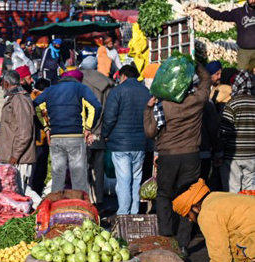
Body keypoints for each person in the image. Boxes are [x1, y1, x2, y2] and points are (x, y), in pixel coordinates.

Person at [144, 62, 211, 249]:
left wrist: (148, 109)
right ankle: (183, 243)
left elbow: (150, 132)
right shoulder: (197, 101)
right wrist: (196, 65)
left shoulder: (162, 105)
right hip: (191, 155)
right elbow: (206, 82)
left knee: (164, 195)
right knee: (187, 197)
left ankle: (166, 238)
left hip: (168, 155)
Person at [33, 69, 102, 194]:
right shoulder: (81, 88)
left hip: (56, 137)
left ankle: (56, 208)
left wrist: (46, 128)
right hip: (75, 137)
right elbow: (96, 106)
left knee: (58, 176)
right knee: (78, 176)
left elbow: (35, 106)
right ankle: (80, 208)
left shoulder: (50, 90)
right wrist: (88, 128)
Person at [102, 64, 150, 215]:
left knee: (123, 180)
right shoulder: (146, 92)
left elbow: (109, 117)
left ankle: (123, 213)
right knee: (136, 179)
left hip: (120, 144)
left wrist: (105, 134)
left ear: (123, 76)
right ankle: (134, 212)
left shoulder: (117, 91)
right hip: (140, 143)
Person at [0, 70, 35, 192]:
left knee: (22, 192)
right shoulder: (12, 99)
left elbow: (25, 131)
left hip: (20, 158)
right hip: (9, 156)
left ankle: (40, 208)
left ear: (6, 83)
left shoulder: (19, 100)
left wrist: (15, 155)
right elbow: (4, 130)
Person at [79, 60, 114, 207]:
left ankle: (85, 200)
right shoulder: (106, 83)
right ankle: (98, 200)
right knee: (98, 169)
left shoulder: (79, 80)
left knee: (82, 169)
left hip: (83, 132)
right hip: (100, 132)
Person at [219, 71, 255, 192]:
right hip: (252, 156)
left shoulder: (232, 104)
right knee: (250, 191)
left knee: (232, 191)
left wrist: (220, 150)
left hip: (232, 155)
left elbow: (225, 130)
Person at [196, 0, 255, 71]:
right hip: (244, 52)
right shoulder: (238, 12)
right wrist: (206, 9)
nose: (253, 1)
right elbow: (220, 15)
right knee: (242, 74)